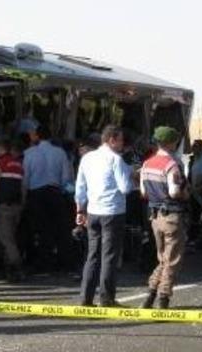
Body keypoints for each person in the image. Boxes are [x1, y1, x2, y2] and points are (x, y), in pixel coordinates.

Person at [75, 126, 132, 307]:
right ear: (112, 140)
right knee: (109, 256)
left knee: (92, 255)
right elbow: (125, 188)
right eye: (121, 140)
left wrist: (80, 210)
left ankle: (86, 298)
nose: (123, 144)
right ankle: (107, 298)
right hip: (113, 212)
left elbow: (80, 188)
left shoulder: (87, 158)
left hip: (93, 211)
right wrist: (133, 175)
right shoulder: (116, 159)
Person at [140, 127, 189, 310]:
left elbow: (144, 192)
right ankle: (163, 298)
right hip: (172, 215)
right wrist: (185, 194)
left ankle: (150, 294)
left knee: (162, 258)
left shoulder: (147, 164)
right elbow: (174, 192)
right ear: (171, 143)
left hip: (154, 216)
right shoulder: (171, 165)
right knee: (172, 260)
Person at [23, 125, 74, 271]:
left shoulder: (28, 153)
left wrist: (24, 197)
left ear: (37, 136)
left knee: (40, 229)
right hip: (55, 192)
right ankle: (65, 260)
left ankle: (44, 261)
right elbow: (66, 178)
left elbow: (25, 178)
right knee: (60, 228)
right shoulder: (60, 153)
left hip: (36, 194)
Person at [0, 136, 27, 282]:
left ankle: (17, 268)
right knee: (11, 238)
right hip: (16, 206)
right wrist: (22, 204)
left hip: (3, 206)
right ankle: (9, 271)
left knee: (6, 240)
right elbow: (23, 187)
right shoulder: (18, 164)